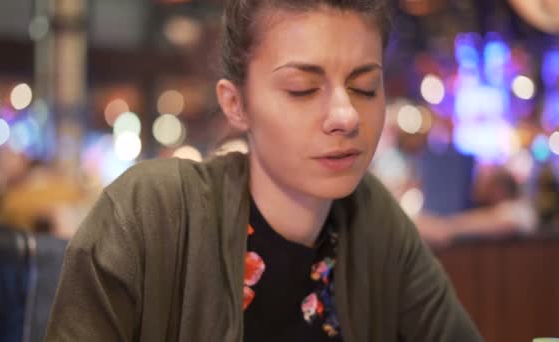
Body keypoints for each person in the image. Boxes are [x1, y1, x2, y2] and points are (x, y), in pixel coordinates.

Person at [45, 1, 482, 341]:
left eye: (365, 87)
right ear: (236, 103)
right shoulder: (148, 215)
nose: (346, 115)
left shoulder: (376, 222)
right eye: (303, 89)